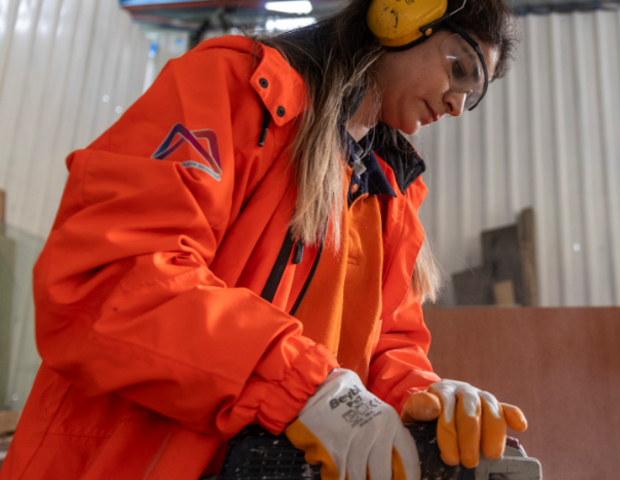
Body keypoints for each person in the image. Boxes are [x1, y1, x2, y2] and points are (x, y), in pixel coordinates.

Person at [0, 0, 526, 478]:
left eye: (474, 96)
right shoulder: (233, 89)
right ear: (400, 15)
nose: (457, 105)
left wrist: (427, 399)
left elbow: (388, 346)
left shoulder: (390, 199)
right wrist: (305, 387)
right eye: (460, 69)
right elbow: (111, 278)